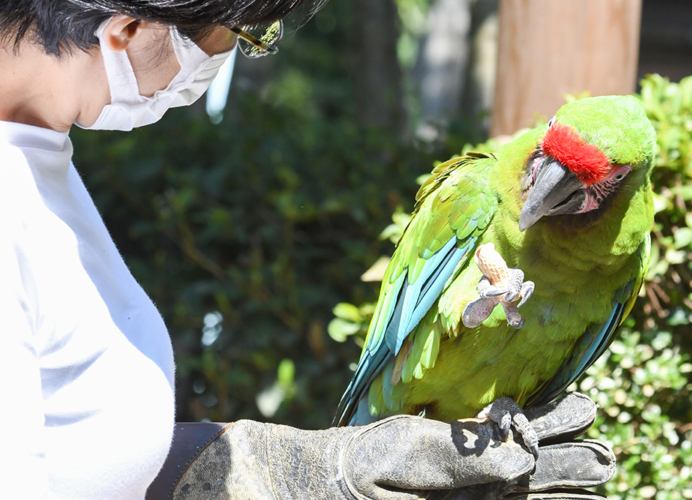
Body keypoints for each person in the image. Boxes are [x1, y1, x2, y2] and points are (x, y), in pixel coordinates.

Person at [0, 1, 615, 499]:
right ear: (127, 31)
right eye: (241, 36)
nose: (231, 58)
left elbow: (64, 448)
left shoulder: (37, 146)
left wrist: (308, 471)